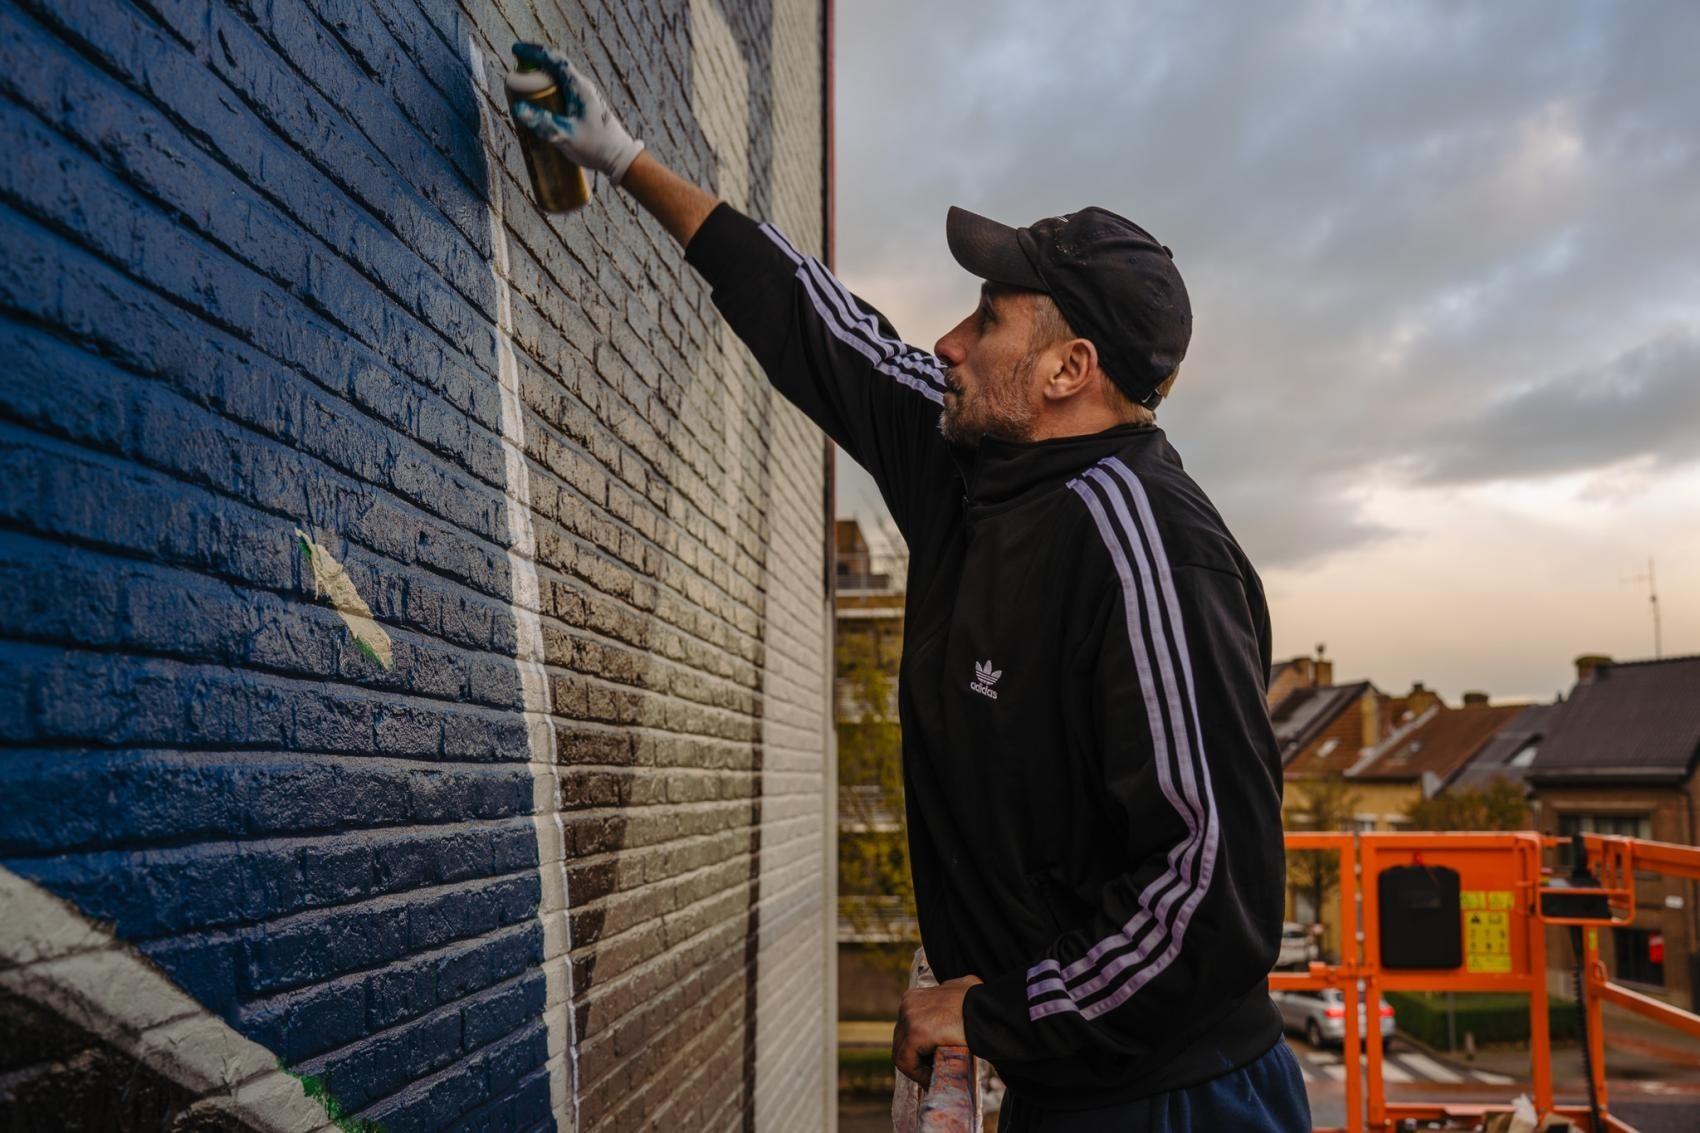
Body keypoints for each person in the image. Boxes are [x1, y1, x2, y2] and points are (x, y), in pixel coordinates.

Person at [509, 42, 1310, 1132]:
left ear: (1066, 371)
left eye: (985, 321)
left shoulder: (1148, 549)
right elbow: (819, 328)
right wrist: (621, 155)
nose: (946, 341)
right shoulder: (969, 464)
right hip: (1069, 1078)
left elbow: (1208, 892)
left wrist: (999, 1012)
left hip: (1174, 1102)